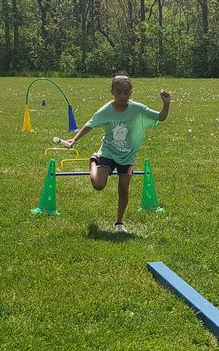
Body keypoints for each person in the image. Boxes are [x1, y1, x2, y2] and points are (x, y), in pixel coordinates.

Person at [58, 74, 171, 234]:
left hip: (128, 156)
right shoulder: (106, 110)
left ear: (131, 92)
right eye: (118, 92)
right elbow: (90, 124)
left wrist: (166, 104)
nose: (122, 96)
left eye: (126, 92)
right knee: (98, 185)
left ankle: (119, 223)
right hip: (108, 152)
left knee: (123, 189)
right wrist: (74, 140)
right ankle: (93, 160)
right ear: (112, 92)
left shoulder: (138, 109)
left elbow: (160, 117)